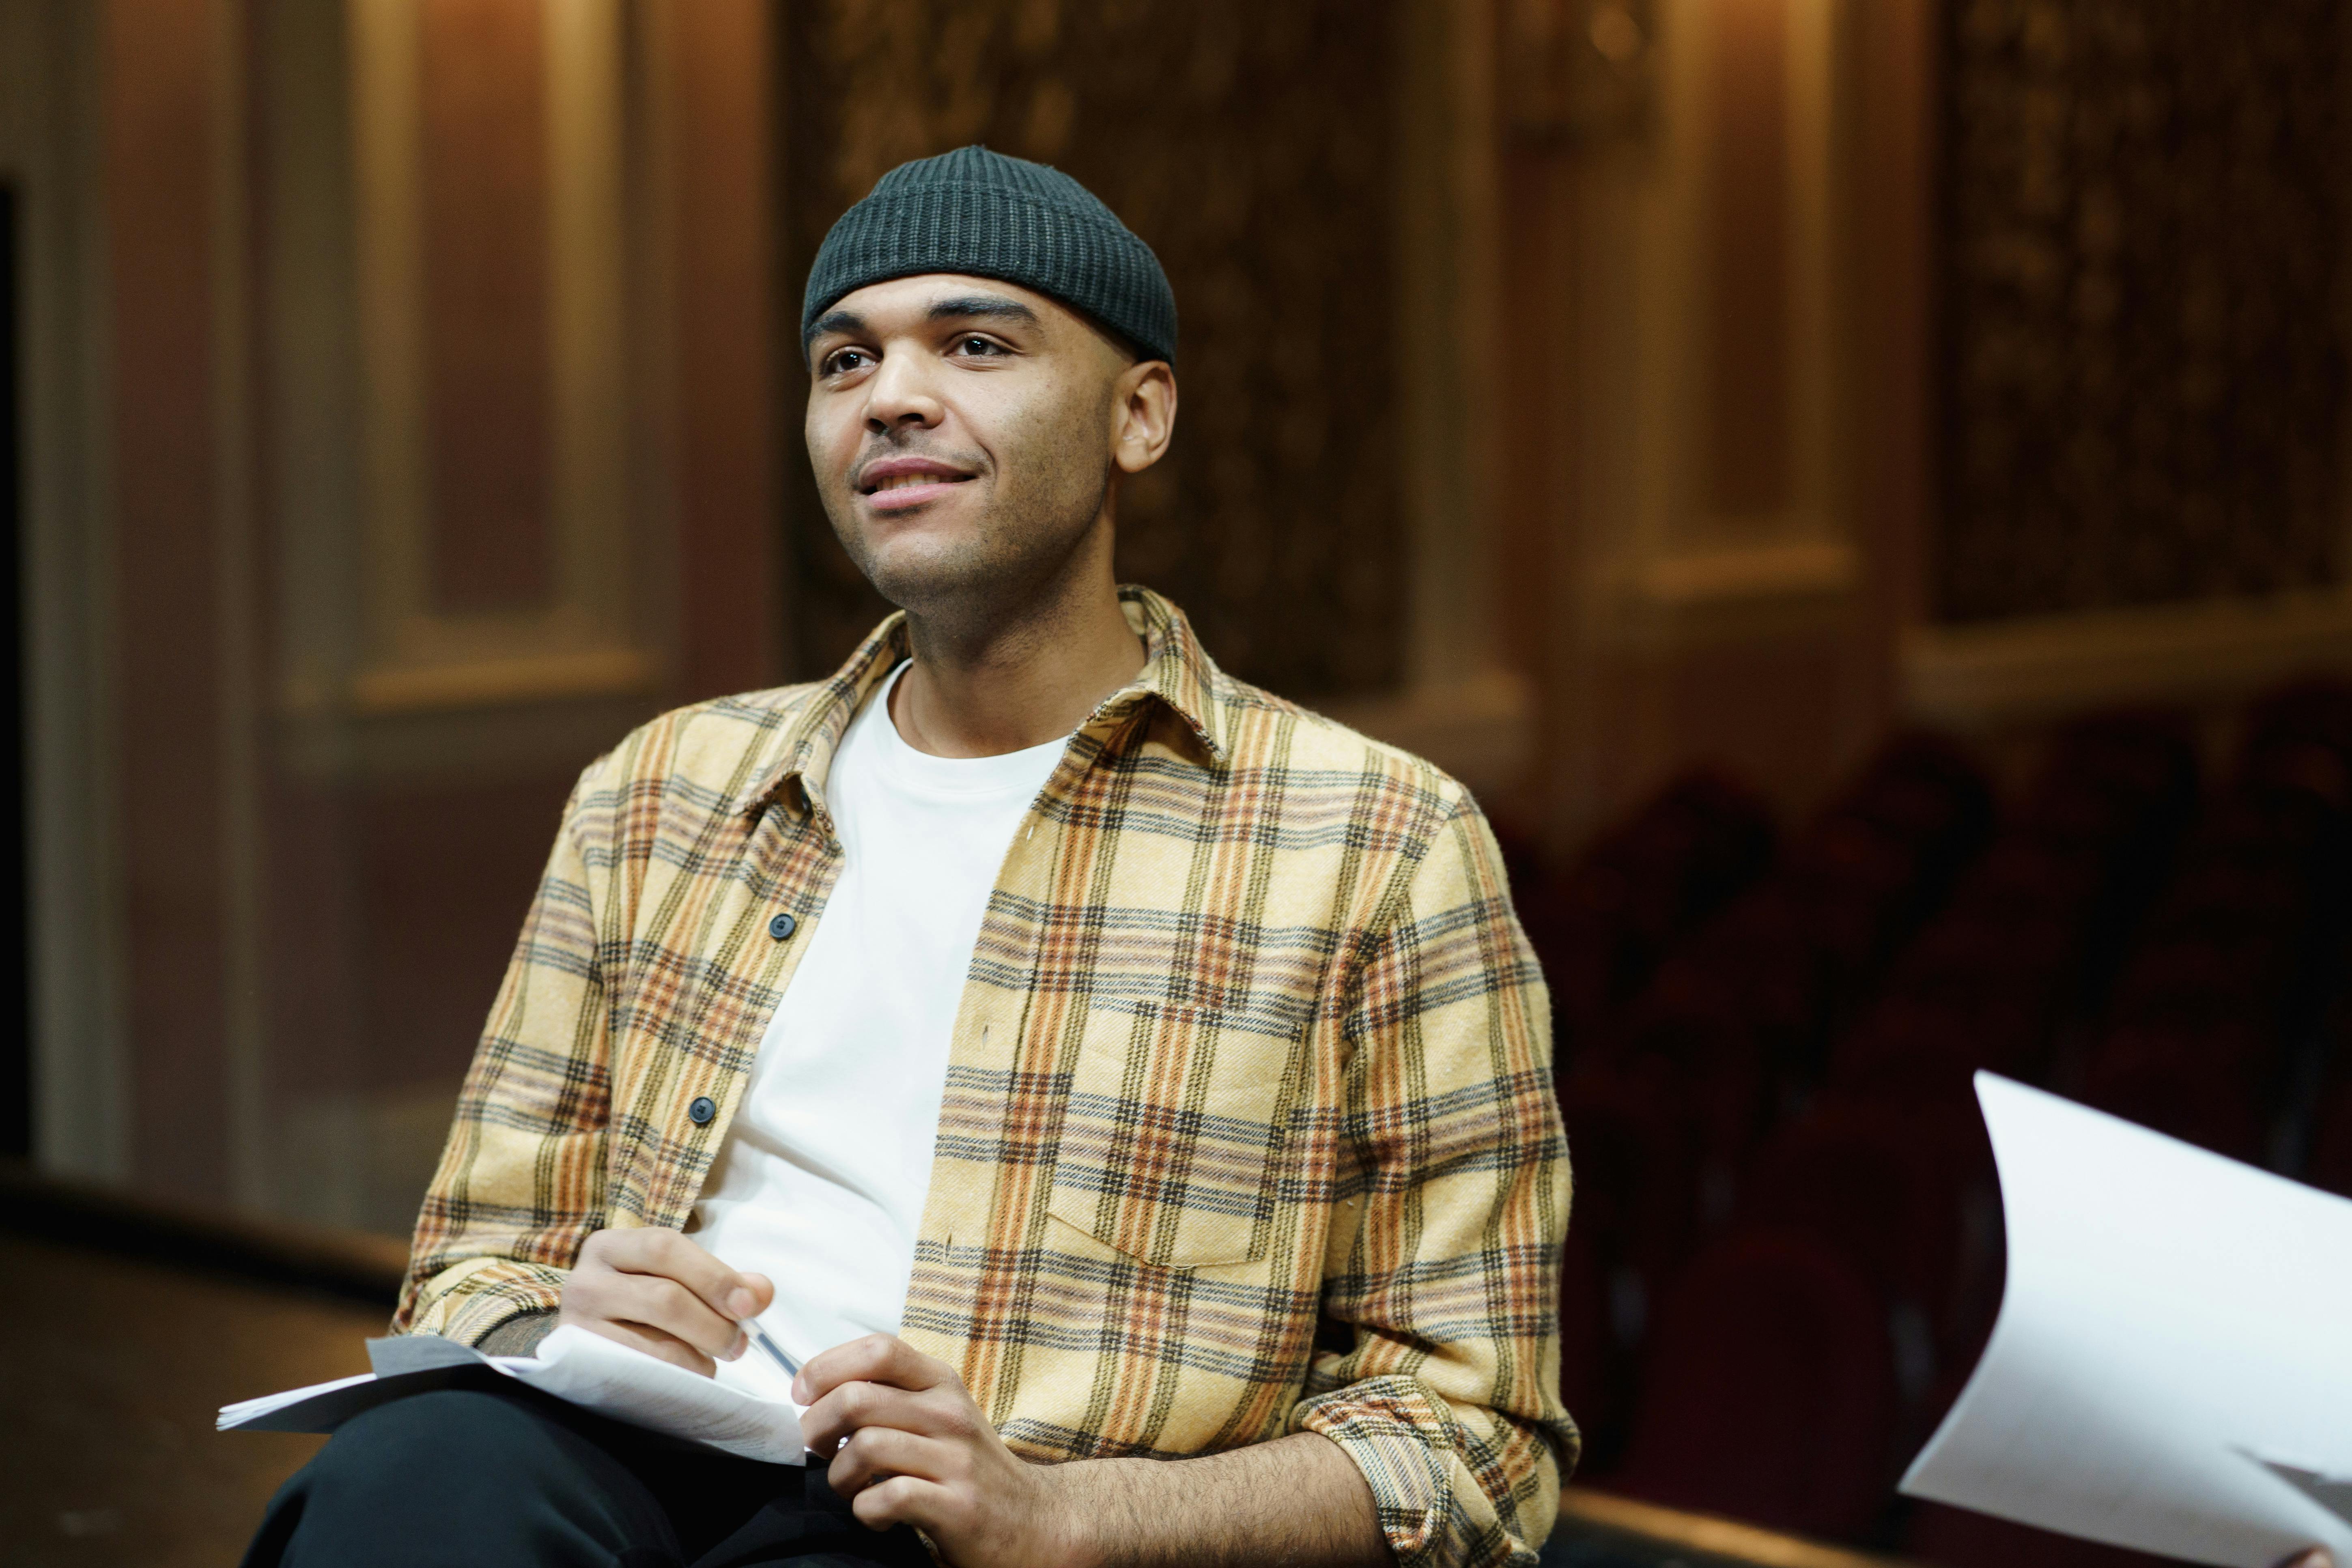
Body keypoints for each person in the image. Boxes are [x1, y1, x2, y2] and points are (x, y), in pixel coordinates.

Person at [241, 146, 1572, 1568]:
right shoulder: (662, 794)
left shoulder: (1374, 841)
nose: (891, 397)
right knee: (405, 1482)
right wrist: (551, 1316)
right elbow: (470, 1266)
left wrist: (1062, 1517)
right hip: (635, 1458)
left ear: (1141, 415)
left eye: (977, 343)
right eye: (843, 361)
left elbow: (1475, 1446)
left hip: (996, 1534)